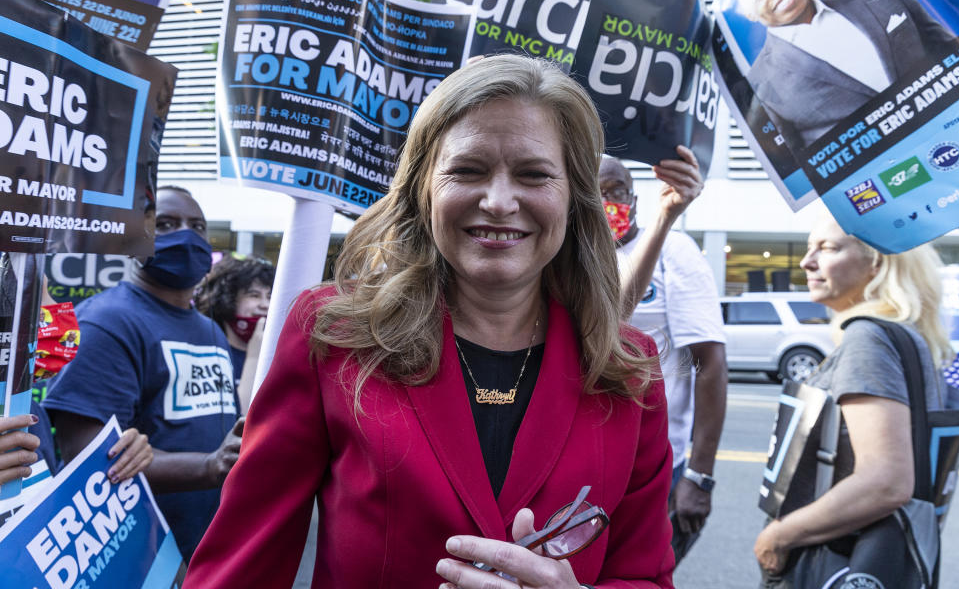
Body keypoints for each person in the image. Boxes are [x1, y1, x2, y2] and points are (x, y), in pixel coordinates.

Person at [184, 54, 677, 588]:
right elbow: (240, 567)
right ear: (423, 187)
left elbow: (644, 576)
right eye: (467, 170)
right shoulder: (332, 335)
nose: (498, 201)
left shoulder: (627, 369)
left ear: (574, 197)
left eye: (534, 174)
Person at [43, 186, 244, 561]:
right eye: (165, 224)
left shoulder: (211, 330)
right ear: (134, 236)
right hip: (146, 558)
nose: (186, 235)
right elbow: (88, 459)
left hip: (210, 549)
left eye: (197, 226)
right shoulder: (105, 323)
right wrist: (210, 466)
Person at [753, 213, 951, 577]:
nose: (806, 261)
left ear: (877, 262)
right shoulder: (905, 335)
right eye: (810, 248)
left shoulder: (867, 339)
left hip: (844, 558)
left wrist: (778, 537)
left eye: (827, 248)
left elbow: (886, 481)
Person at [600, 155, 727, 562]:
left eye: (616, 191)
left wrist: (700, 475)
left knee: (641, 571)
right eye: (595, 192)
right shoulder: (570, 252)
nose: (607, 202)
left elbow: (709, 362)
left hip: (656, 457)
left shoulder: (674, 250)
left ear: (635, 199)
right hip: (590, 452)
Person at [737, 0, 959, 152]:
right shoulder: (760, 86)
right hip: (884, 184)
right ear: (750, 15)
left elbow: (950, 50)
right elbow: (796, 165)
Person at [195, 254, 275, 413]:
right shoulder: (209, 355)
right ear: (227, 300)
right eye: (254, 295)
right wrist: (254, 358)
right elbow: (239, 421)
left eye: (270, 297)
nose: (265, 305)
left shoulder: (279, 356)